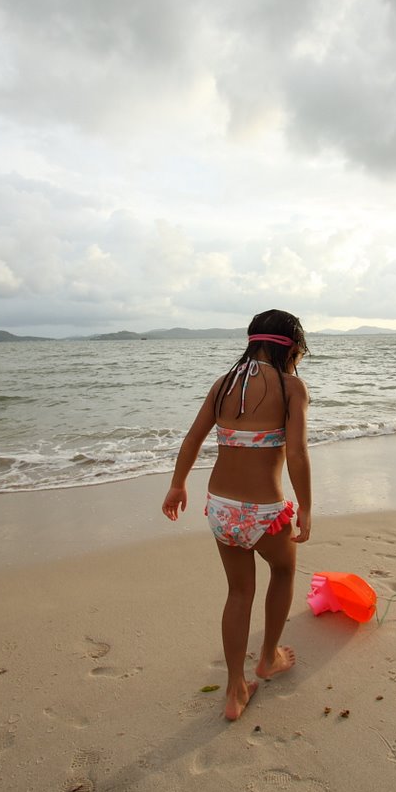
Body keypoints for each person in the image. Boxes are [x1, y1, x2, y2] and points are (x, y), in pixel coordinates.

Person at [162, 309, 312, 721]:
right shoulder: (291, 387)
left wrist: (178, 485)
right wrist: (307, 507)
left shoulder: (223, 384)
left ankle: (234, 690)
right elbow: (297, 453)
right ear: (293, 348)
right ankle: (268, 658)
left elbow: (193, 437)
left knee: (238, 592)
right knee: (282, 572)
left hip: (221, 507)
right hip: (266, 511)